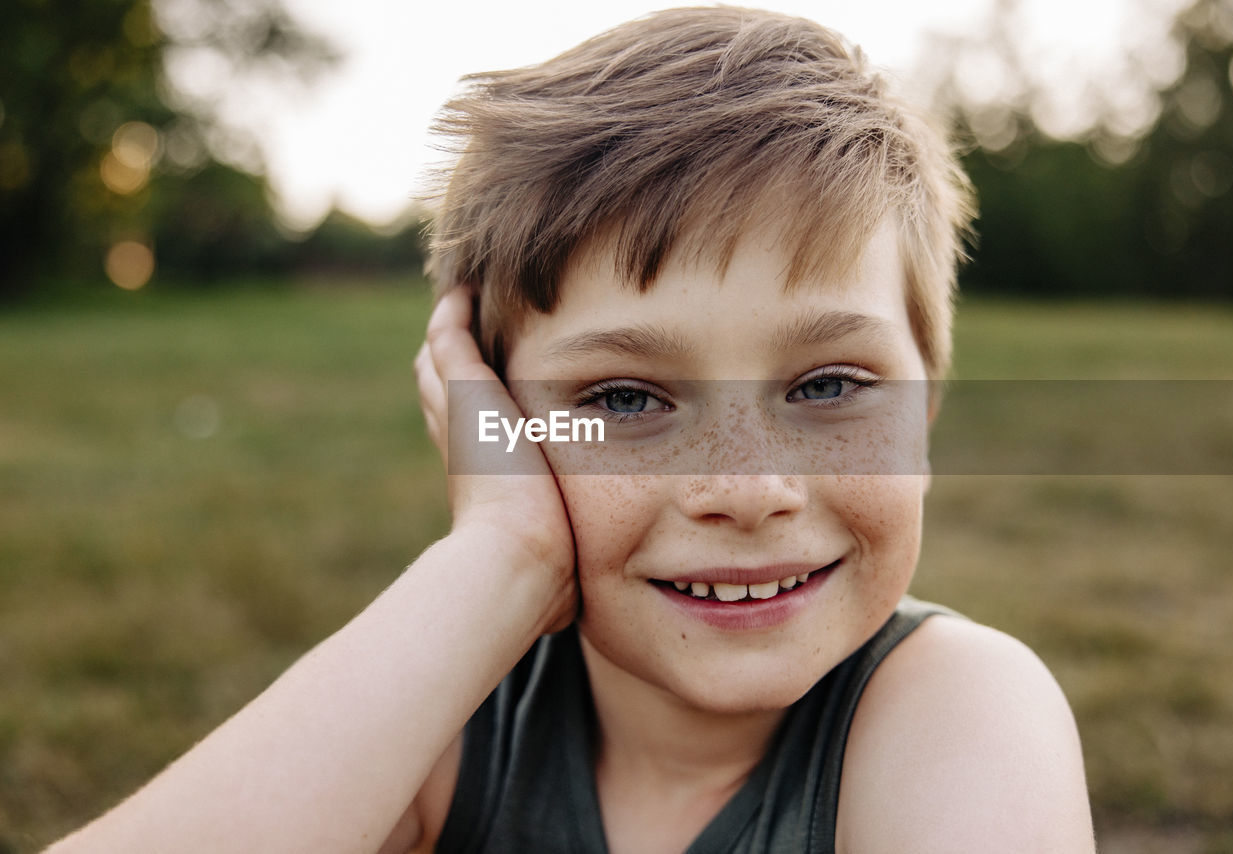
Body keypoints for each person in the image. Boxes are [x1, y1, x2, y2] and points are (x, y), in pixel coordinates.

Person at [48, 7, 1094, 852]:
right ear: (495, 422)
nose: (745, 485)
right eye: (626, 399)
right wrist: (501, 556)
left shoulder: (958, 710)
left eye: (825, 385)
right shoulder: (460, 727)